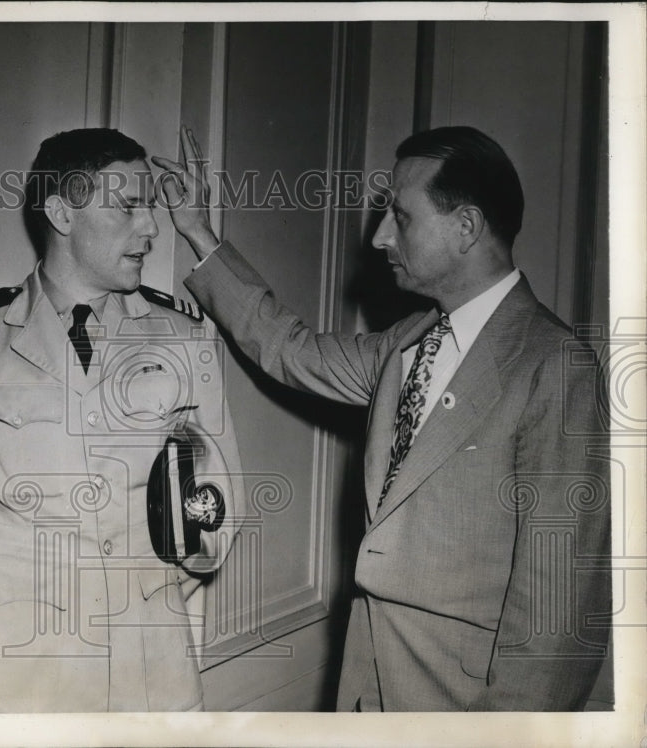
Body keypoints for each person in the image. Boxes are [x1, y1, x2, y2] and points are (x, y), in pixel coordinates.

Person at [153, 125, 611, 710]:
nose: (379, 236)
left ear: (466, 228)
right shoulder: (406, 342)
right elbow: (293, 351)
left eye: (401, 215)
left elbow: (558, 618)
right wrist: (198, 233)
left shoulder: (555, 366)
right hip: (367, 685)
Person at [0, 128, 243, 712]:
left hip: (148, 663)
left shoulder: (184, 335)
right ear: (61, 214)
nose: (151, 227)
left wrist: (163, 610)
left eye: (150, 207)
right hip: (11, 668)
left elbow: (213, 513)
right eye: (128, 207)